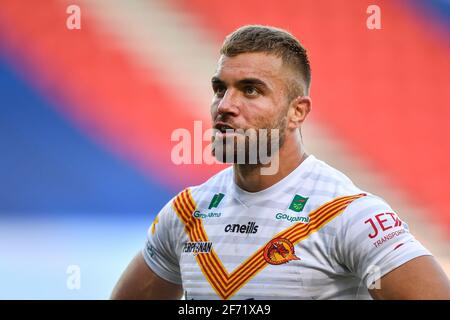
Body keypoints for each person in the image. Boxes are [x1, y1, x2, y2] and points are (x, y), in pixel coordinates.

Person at [111, 25, 450, 300]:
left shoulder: (349, 215)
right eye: (220, 89)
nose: (225, 105)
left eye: (250, 90)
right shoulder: (186, 212)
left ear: (296, 112)